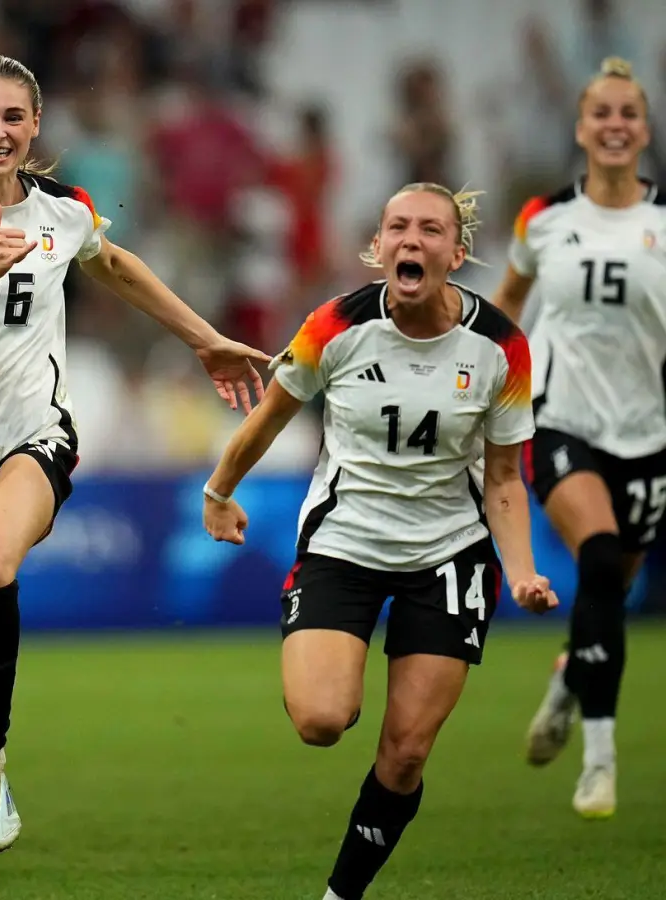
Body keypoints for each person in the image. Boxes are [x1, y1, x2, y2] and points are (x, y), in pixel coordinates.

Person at [0, 54, 269, 900]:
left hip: (27, 434)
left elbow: (112, 263)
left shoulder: (65, 210)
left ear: (36, 125)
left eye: (14, 116)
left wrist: (204, 338)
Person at [202, 183, 558, 900]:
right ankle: (338, 656)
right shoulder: (334, 326)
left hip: (448, 554)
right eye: (398, 227)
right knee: (322, 720)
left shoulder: (500, 348)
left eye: (430, 230)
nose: (411, 240)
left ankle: (341, 895)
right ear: (378, 246)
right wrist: (218, 491)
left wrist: (519, 571)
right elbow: (270, 418)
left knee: (405, 753)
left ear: (456, 254)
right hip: (345, 545)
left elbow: (503, 479)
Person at [491, 56, 666, 820]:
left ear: (646, 129)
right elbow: (507, 307)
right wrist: (477, 386)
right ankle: (599, 761)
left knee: (611, 588)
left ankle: (569, 678)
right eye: (603, 113)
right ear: (581, 128)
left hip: (648, 433)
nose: (616, 125)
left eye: (629, 113)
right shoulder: (544, 219)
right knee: (598, 558)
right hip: (560, 418)